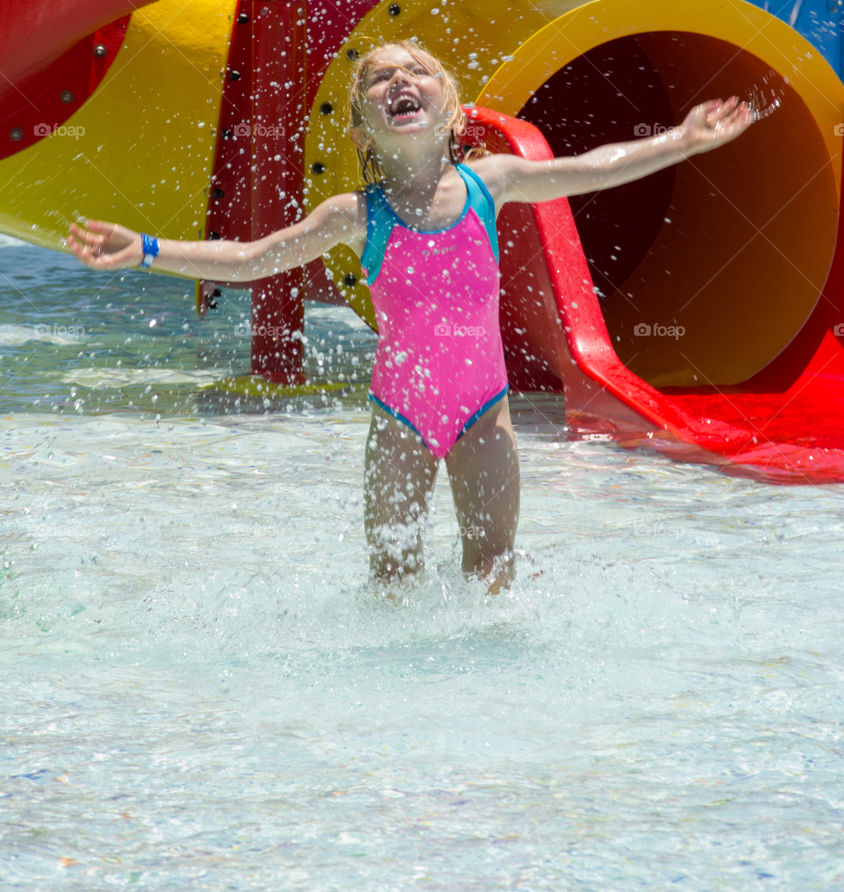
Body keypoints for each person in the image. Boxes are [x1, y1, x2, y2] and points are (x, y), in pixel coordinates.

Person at [68, 40, 752, 592]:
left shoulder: (494, 181)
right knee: (391, 579)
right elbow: (252, 258)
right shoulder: (354, 215)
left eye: (417, 69)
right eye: (379, 78)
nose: (400, 78)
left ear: (450, 113)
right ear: (364, 132)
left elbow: (591, 167)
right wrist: (146, 251)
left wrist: (682, 141)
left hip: (485, 413)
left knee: (492, 569)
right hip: (399, 419)